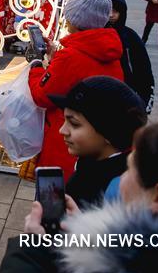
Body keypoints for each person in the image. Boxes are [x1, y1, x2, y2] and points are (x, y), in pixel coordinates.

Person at [0, 116, 158, 273]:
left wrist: (32, 249)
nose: (121, 178)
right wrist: (85, 231)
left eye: (129, 169)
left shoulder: (141, 261)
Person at [28, 0, 124, 179]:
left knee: (57, 197)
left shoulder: (71, 56)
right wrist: (56, 58)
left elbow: (42, 95)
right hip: (97, 140)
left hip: (67, 141)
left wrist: (36, 65)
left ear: (74, 20)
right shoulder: (108, 49)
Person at [49, 76, 147, 208]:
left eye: (74, 124)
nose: (62, 130)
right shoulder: (91, 166)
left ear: (109, 133)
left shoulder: (112, 192)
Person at [104, 0, 155, 113]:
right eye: (107, 11)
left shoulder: (130, 37)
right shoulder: (93, 33)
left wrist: (145, 101)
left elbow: (144, 70)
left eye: (115, 11)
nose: (111, 15)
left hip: (126, 94)